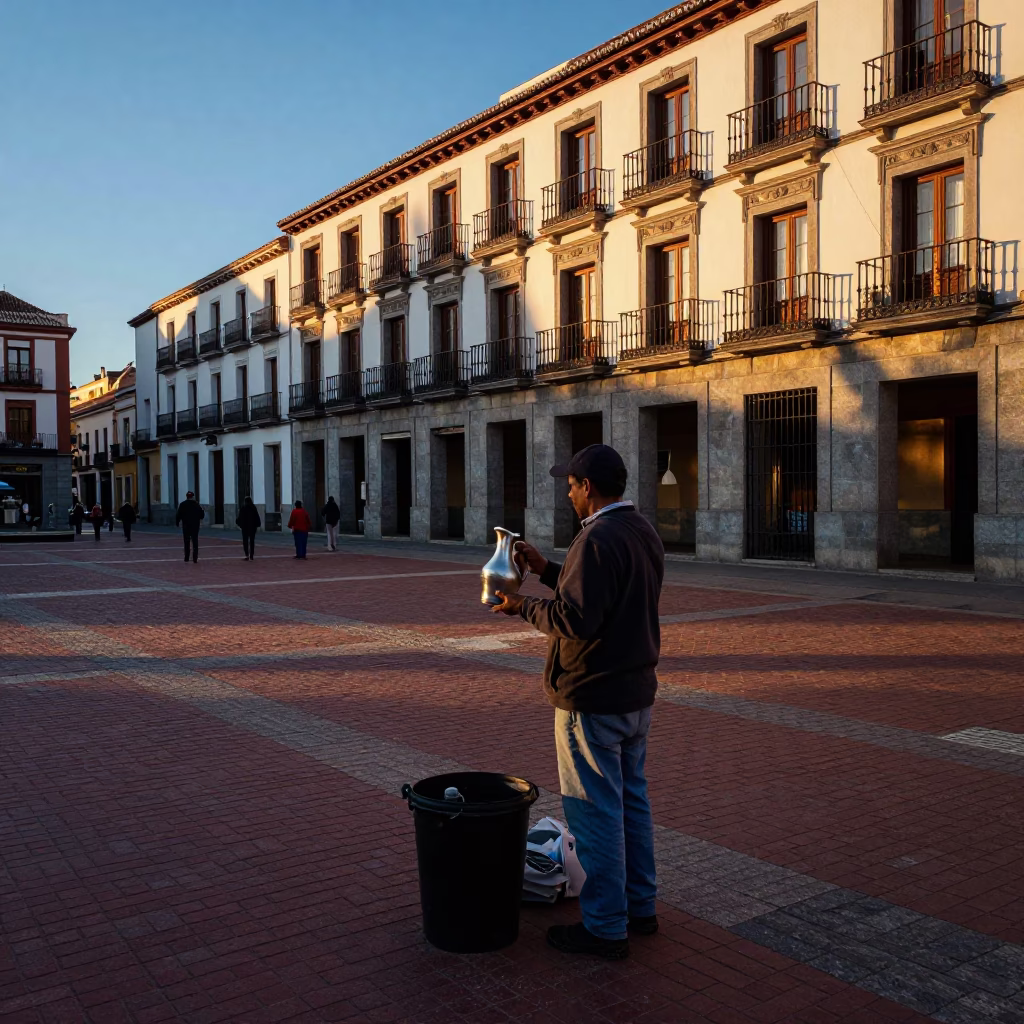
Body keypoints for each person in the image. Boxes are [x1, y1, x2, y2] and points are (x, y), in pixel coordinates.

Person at [492, 444, 664, 960]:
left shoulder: (597, 538)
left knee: (594, 813)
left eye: (570, 484)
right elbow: (601, 595)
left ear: (588, 487)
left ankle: (605, 927)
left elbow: (577, 619)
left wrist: (522, 606)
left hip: (592, 696)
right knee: (632, 803)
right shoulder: (641, 531)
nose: (567, 493)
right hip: (635, 694)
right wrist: (547, 568)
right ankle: (641, 907)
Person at [175, 490, 205, 562]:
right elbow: (202, 515)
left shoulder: (182, 504)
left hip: (186, 525)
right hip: (195, 525)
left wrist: (177, 522)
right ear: (193, 497)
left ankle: (186, 557)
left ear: (187, 497)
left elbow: (178, 515)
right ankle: (195, 558)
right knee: (195, 541)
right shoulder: (196, 504)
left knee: (186, 541)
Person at [236, 496, 261, 560]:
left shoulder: (243, 508)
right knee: (252, 541)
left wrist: (240, 525)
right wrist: (257, 524)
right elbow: (257, 517)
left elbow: (239, 518)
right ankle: (251, 555)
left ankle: (247, 554)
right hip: (253, 527)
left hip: (245, 528)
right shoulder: (253, 507)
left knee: (245, 541)